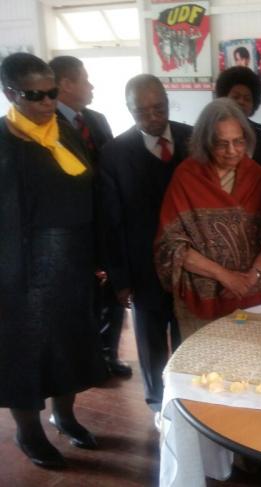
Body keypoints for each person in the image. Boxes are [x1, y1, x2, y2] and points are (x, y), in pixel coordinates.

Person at [0, 52, 107, 468]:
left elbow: (90, 195)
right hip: (22, 273)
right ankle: (29, 432)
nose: (48, 102)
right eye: (36, 95)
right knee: (25, 355)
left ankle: (65, 416)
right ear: (11, 93)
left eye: (51, 92)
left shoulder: (65, 131)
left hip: (73, 264)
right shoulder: (5, 141)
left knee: (72, 346)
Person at [100, 74, 192, 418]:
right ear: (129, 110)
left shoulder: (193, 138)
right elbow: (111, 223)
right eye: (142, 111)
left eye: (159, 108)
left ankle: (186, 398)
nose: (153, 117)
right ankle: (157, 403)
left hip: (191, 263)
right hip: (143, 266)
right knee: (151, 340)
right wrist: (120, 279)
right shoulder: (114, 154)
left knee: (188, 334)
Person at [155, 98, 261, 340]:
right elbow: (172, 245)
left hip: (253, 297)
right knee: (205, 363)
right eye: (222, 144)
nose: (232, 151)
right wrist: (224, 276)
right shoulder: (186, 177)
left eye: (238, 141)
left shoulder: (256, 176)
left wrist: (252, 277)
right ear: (205, 142)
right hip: (201, 303)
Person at [48, 55, 132, 378]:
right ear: (66, 84)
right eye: (85, 79)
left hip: (105, 222)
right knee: (81, 299)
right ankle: (85, 359)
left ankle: (108, 355)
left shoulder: (96, 120)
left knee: (113, 291)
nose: (91, 86)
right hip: (72, 230)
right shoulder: (46, 123)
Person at [215, 66, 261, 182]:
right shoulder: (211, 133)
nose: (241, 102)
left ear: (254, 104)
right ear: (223, 98)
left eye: (247, 99)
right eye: (236, 97)